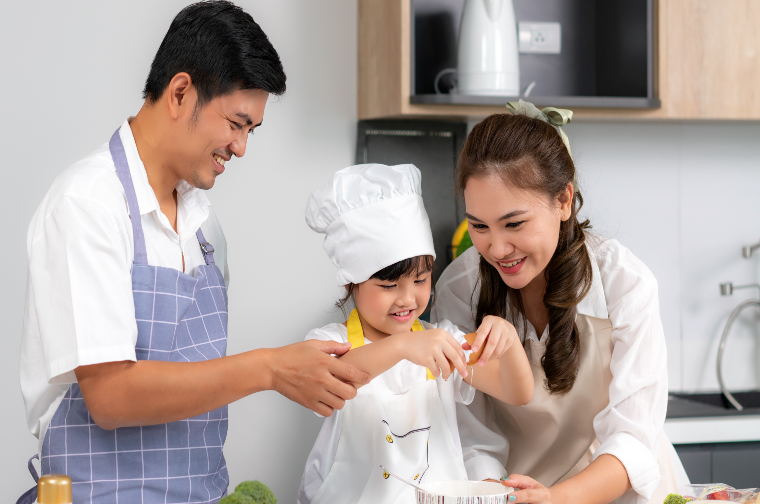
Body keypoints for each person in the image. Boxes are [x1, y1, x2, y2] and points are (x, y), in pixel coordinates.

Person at [18, 2, 369, 502]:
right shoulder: (89, 205)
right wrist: (270, 369)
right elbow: (110, 397)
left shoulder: (207, 229)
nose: (242, 147)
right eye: (236, 122)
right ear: (181, 92)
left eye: (252, 130)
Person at [430, 101, 688, 504]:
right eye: (479, 226)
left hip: (616, 493)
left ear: (563, 200)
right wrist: (495, 493)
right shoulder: (460, 290)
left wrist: (557, 499)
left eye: (514, 223)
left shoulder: (624, 282)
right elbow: (470, 433)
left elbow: (633, 439)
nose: (497, 248)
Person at [297, 163, 534, 504]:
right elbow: (334, 375)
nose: (408, 299)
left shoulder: (442, 342)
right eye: (389, 285)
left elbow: (517, 392)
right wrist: (403, 346)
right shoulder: (330, 342)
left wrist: (509, 343)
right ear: (352, 282)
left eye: (421, 281)